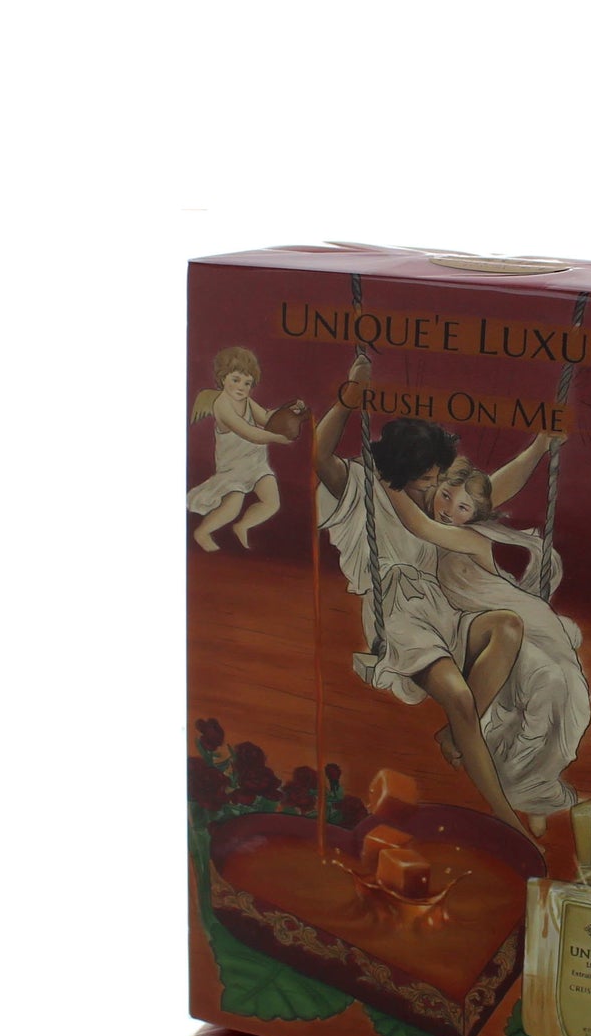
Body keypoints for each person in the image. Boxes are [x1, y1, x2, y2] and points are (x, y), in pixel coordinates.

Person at [314, 355, 541, 849]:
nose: (434, 488)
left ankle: (453, 735)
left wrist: (540, 445)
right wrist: (347, 399)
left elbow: (492, 488)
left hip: (440, 607)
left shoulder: (436, 495)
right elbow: (319, 453)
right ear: (400, 472)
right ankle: (508, 821)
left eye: (437, 478)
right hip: (398, 615)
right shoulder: (362, 487)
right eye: (425, 479)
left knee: (507, 627)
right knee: (459, 699)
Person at [383, 448, 590, 833]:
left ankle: (531, 788)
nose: (449, 510)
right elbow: (498, 484)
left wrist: (387, 480)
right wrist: (539, 447)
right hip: (485, 624)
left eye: (462, 507)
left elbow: (422, 527)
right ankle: (523, 785)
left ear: (475, 514)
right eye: (446, 496)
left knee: (554, 684)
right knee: (544, 683)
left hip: (520, 619)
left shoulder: (468, 537)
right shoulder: (447, 518)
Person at [187, 346, 299, 551]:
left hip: (255, 464)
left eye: (247, 383)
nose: (241, 387)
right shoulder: (222, 405)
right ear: (223, 378)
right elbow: (249, 433)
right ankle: (202, 532)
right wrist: (277, 438)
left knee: (272, 502)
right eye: (236, 380)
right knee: (232, 506)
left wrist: (287, 413)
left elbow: (266, 419)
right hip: (233, 468)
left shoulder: (247, 401)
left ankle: (243, 525)